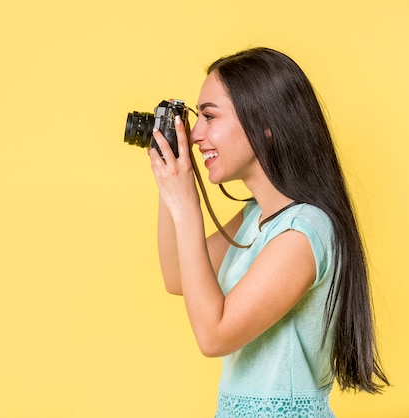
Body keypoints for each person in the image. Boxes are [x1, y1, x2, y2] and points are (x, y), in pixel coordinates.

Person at [148, 47, 388, 417]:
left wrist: (188, 207)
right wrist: (171, 181)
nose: (195, 135)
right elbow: (177, 275)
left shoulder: (305, 230)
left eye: (209, 117)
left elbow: (214, 336)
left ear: (265, 122)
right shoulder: (256, 217)